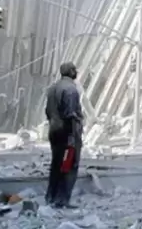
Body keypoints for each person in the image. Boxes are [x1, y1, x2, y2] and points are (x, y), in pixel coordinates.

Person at [45, 62, 84, 208]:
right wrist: (74, 136)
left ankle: (51, 197)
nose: (77, 71)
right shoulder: (71, 90)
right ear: (71, 72)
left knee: (56, 164)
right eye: (75, 69)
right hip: (68, 133)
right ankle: (62, 201)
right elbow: (71, 114)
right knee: (68, 165)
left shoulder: (52, 88)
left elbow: (48, 112)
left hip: (54, 131)